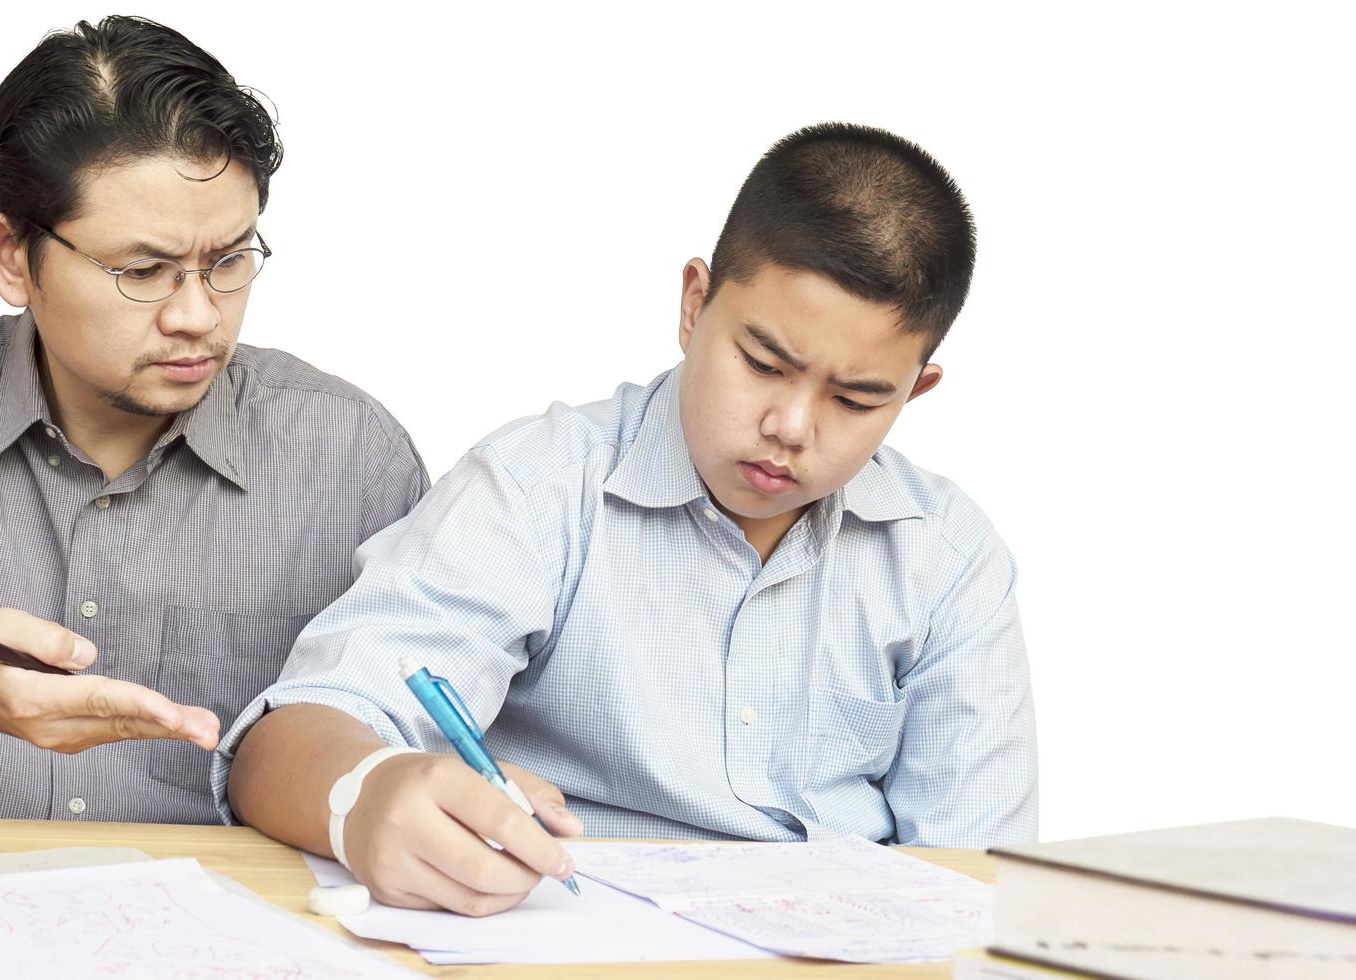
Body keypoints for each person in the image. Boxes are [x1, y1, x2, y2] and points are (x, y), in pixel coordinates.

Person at [223, 123, 1036, 915]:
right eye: (762, 363)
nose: (792, 425)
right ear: (694, 304)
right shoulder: (539, 488)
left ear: (914, 390)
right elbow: (293, 734)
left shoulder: (947, 558)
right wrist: (369, 793)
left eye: (857, 398)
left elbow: (975, 877)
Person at [0, 16, 426, 826]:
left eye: (231, 260)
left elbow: (407, 754)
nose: (198, 315)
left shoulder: (350, 456)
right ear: (8, 257)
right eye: (143, 270)